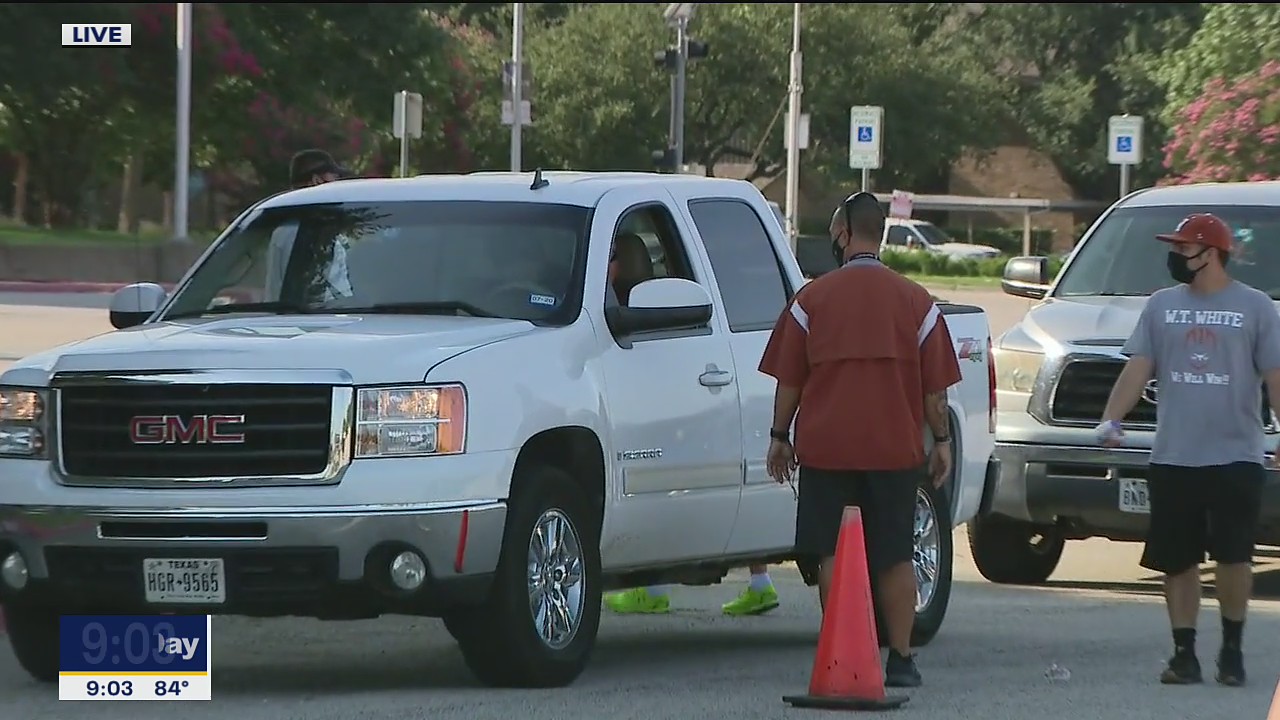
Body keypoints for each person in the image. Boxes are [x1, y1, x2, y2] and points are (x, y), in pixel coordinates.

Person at [757, 191, 961, 688]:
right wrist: (942, 441)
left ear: (846, 233)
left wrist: (779, 436)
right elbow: (935, 392)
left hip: (827, 448)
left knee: (832, 551)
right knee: (894, 553)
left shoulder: (811, 300)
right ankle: (902, 659)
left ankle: (845, 649)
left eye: (833, 232)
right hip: (892, 449)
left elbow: (791, 381)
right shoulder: (917, 303)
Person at [1096, 212, 1280, 688]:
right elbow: (1140, 367)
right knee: (1177, 560)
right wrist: (1111, 418)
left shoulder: (1256, 307)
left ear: (1210, 253)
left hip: (1236, 454)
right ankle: (1184, 653)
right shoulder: (1161, 306)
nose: (1174, 257)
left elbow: (1276, 378)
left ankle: (1232, 650)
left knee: (1234, 557)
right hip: (1175, 455)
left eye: (1182, 248)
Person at [600, 232, 783, 617]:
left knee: (663, 481)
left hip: (673, 413)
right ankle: (758, 581)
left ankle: (651, 587)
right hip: (708, 407)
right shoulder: (729, 285)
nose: (607, 265)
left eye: (611, 257)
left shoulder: (628, 303)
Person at [264, 150, 354, 302]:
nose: (338, 184)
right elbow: (332, 294)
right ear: (317, 181)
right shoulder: (316, 231)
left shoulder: (282, 232)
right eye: (334, 178)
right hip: (328, 319)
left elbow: (274, 291)